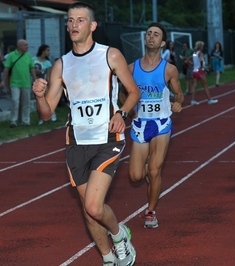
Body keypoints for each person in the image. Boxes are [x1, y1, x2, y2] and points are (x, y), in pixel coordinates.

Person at [31, 2, 140, 266]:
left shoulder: (110, 55)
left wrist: (121, 114)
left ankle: (119, 234)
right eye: (70, 20)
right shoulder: (61, 65)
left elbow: (134, 92)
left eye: (80, 20)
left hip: (107, 139)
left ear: (92, 26)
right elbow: (47, 114)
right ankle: (108, 258)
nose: (74, 25)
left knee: (93, 205)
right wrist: (38, 96)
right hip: (76, 143)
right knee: (89, 211)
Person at [126, 22, 184, 229]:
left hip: (161, 124)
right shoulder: (131, 68)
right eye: (149, 34)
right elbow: (123, 93)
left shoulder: (169, 69)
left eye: (156, 35)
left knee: (154, 170)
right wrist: (129, 109)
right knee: (136, 176)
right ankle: (150, 175)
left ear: (163, 43)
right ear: (145, 39)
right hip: (140, 125)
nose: (151, 37)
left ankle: (151, 212)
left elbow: (179, 93)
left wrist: (178, 103)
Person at [0, 39, 36, 128]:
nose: (27, 46)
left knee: (26, 103)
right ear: (20, 46)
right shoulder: (11, 55)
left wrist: (35, 79)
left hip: (26, 83)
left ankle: (25, 120)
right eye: (26, 45)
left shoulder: (28, 55)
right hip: (14, 83)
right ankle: (13, 121)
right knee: (15, 101)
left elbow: (32, 68)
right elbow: (6, 69)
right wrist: (4, 81)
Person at [33, 44, 57, 124]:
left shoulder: (48, 63)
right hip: (35, 83)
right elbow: (31, 70)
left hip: (44, 83)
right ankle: (40, 118)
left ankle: (52, 113)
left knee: (48, 99)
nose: (49, 52)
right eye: (48, 50)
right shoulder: (34, 60)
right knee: (38, 101)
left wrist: (50, 85)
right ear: (43, 51)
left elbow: (48, 75)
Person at [190, 41, 219, 105]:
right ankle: (209, 100)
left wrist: (193, 65)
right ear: (200, 46)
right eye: (202, 46)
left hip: (194, 71)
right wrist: (201, 67)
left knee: (194, 86)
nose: (203, 47)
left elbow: (188, 60)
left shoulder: (194, 53)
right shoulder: (200, 53)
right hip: (199, 71)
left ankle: (193, 100)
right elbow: (200, 60)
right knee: (205, 85)